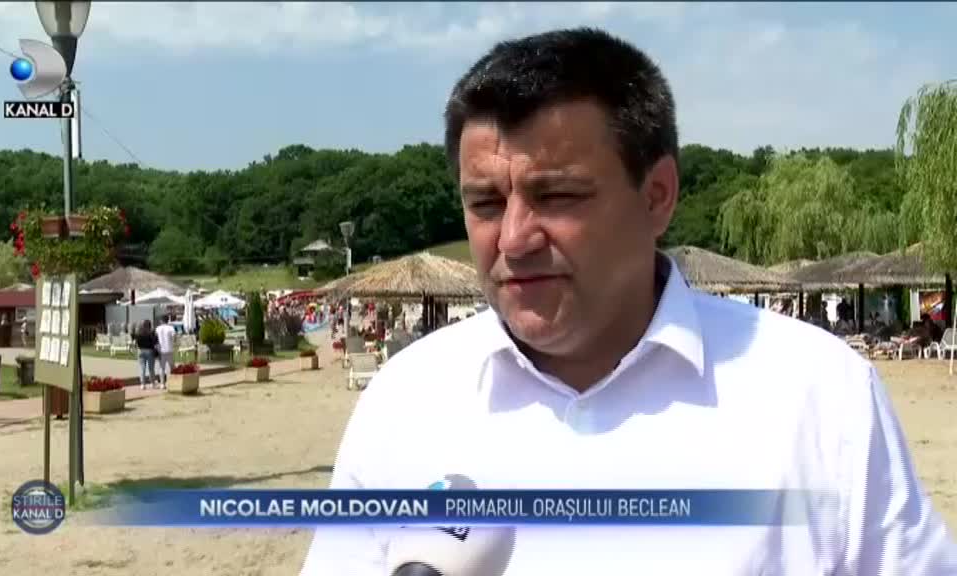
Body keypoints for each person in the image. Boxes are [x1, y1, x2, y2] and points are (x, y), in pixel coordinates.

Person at [300, 28, 956, 574]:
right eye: (486, 203)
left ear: (657, 195)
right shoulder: (405, 401)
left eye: (558, 196)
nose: (515, 238)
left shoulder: (820, 395)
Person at [134, 320, 159, 390]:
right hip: (149, 350)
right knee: (151, 368)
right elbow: (155, 342)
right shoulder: (151, 333)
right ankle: (152, 383)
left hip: (140, 350)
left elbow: (136, 343)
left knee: (142, 368)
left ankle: (142, 384)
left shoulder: (138, 333)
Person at [155, 315, 177, 390]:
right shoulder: (171, 328)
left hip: (161, 350)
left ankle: (162, 384)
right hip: (169, 349)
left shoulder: (158, 328)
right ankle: (173, 381)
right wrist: (173, 342)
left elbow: (155, 338)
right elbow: (174, 337)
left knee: (162, 367)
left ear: (161, 320)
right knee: (172, 366)